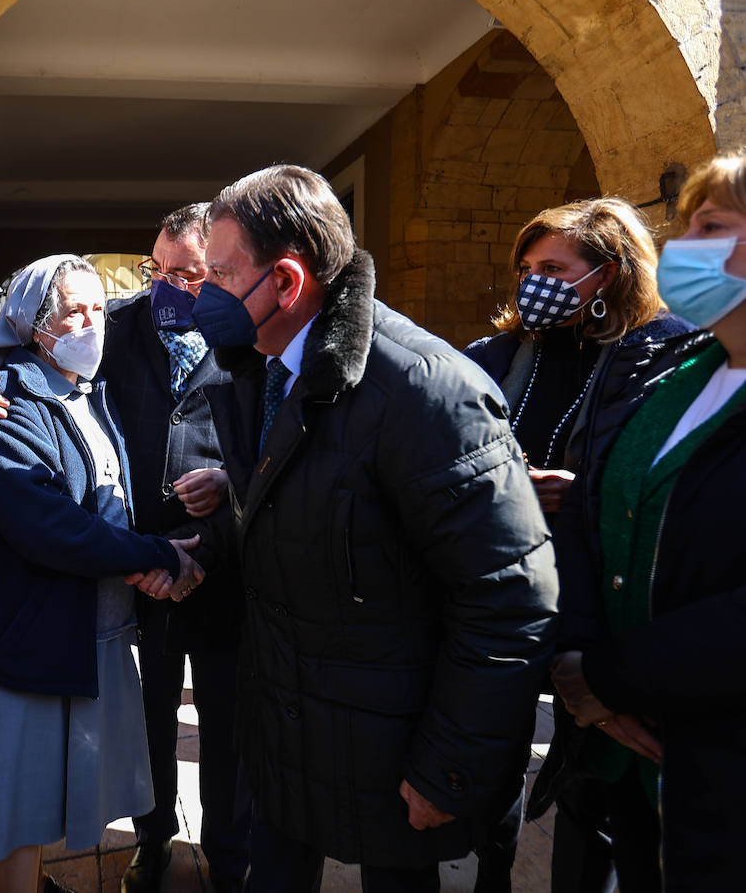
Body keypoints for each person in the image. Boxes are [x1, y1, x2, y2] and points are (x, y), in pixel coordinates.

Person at [146, 164, 559, 892]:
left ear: (285, 281)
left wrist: (448, 767)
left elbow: (508, 597)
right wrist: (202, 549)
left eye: (219, 274)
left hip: (394, 755)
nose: (203, 295)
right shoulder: (251, 367)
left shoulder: (429, 392)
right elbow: (276, 509)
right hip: (284, 737)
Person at [0, 204, 253, 893]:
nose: (166, 285)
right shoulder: (111, 323)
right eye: (158, 269)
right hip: (125, 568)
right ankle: (153, 841)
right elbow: (23, 371)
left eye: (188, 273)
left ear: (220, 272)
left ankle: (232, 862)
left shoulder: (247, 335)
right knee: (142, 717)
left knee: (226, 718)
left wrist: (231, 488)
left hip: (217, 558)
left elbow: (275, 443)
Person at [465, 199, 691, 893]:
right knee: (488, 767)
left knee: (595, 783)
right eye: (527, 267)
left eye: (555, 268)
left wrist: (580, 485)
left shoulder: (663, 355)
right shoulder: (490, 358)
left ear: (610, 273)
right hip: (495, 596)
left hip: (596, 607)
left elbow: (656, 477)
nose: (535, 280)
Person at [546, 151, 746, 892]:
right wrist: (577, 662)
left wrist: (609, 676)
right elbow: (590, 511)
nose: (685, 244)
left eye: (713, 225)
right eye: (686, 223)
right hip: (619, 752)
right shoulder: (671, 371)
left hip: (717, 763)